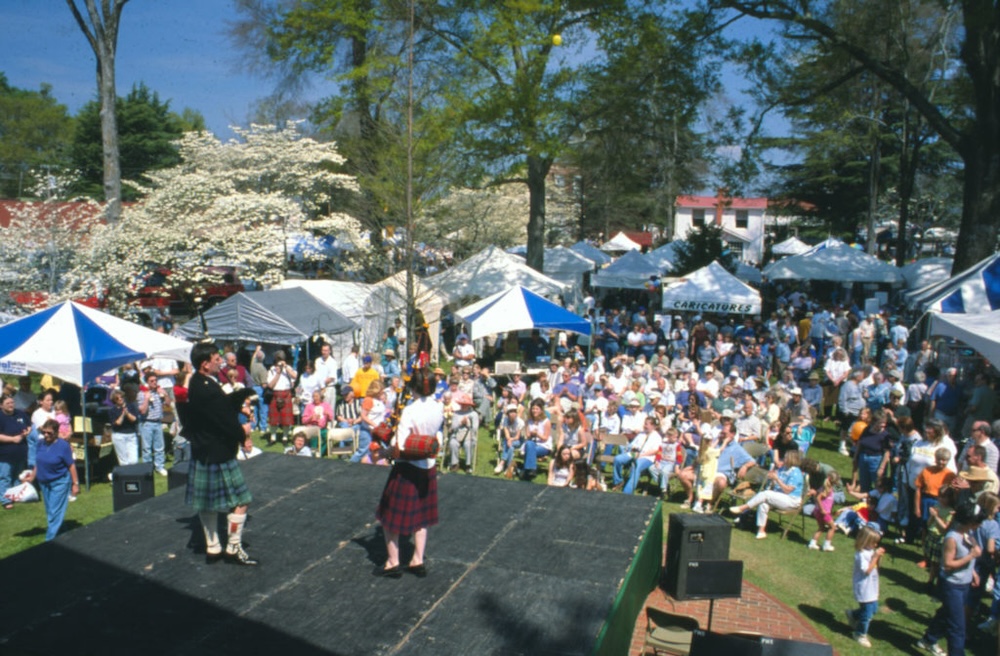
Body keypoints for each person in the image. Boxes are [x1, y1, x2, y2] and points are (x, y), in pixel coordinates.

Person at [185, 342, 259, 566]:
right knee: (242, 500)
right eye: (216, 358)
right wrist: (244, 434)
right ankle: (233, 547)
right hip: (218, 453)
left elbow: (221, 408)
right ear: (205, 364)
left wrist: (241, 400)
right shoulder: (206, 388)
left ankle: (213, 547)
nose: (221, 361)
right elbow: (224, 419)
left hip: (204, 451)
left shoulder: (199, 382)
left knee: (207, 503)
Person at [375, 367, 442, 578]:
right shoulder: (438, 407)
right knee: (421, 516)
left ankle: (393, 563)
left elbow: (400, 446)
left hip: (407, 468)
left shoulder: (410, 410)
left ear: (414, 387)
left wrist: (382, 452)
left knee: (389, 517)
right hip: (428, 465)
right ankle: (417, 560)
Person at [916, 502, 985, 656]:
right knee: (958, 627)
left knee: (946, 614)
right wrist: (971, 557)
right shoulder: (952, 538)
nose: (980, 525)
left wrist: (972, 572)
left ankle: (928, 639)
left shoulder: (968, 533)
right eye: (978, 522)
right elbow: (947, 564)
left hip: (964, 584)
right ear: (969, 522)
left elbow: (970, 553)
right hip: (951, 586)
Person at [727, 449, 804, 540]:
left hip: (791, 500)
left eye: (786, 457)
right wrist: (772, 478)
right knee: (764, 503)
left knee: (766, 494)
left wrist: (777, 479)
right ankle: (761, 531)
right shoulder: (783, 468)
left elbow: (787, 490)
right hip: (780, 497)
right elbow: (777, 485)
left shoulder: (796, 473)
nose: (783, 458)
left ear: (791, 459)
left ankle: (743, 509)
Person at [23, 419, 78, 540]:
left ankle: (49, 540)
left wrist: (75, 484)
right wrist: (32, 477)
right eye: (44, 432)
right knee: (51, 511)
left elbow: (71, 465)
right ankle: (62, 531)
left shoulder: (63, 446)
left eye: (49, 433)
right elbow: (39, 462)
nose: (46, 435)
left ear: (56, 433)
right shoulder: (40, 443)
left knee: (54, 511)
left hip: (60, 482)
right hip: (44, 483)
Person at [845, 525, 885, 648]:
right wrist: (875, 557)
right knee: (867, 614)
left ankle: (853, 614)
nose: (875, 546)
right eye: (874, 543)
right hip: (863, 587)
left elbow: (876, 566)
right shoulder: (861, 554)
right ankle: (860, 634)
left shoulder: (870, 551)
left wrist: (878, 558)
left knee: (873, 609)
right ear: (866, 541)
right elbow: (866, 571)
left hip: (872, 585)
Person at [137, 373, 168, 476]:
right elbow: (142, 411)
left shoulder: (159, 393)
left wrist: (165, 394)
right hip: (147, 423)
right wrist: (146, 399)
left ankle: (160, 466)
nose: (154, 382)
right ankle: (148, 468)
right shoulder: (142, 394)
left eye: (155, 380)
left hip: (158, 422)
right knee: (147, 448)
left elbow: (168, 404)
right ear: (147, 382)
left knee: (159, 447)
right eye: (152, 381)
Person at [266, 351, 297, 445]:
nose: (279, 361)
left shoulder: (289, 368)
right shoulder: (271, 370)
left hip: (286, 394)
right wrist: (278, 374)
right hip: (275, 394)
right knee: (273, 419)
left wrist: (286, 367)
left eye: (281, 359)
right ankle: (273, 437)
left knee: (286, 419)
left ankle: (285, 437)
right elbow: (270, 385)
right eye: (278, 359)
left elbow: (295, 376)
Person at [808, 469, 841, 552]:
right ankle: (827, 545)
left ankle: (813, 543)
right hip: (824, 512)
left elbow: (820, 497)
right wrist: (822, 509)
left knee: (821, 527)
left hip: (818, 511)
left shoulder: (824, 487)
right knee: (832, 527)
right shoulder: (828, 489)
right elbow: (818, 497)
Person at [447, 391, 478, 472]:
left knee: (468, 444)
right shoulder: (456, 413)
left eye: (465, 404)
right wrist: (460, 423)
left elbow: (475, 428)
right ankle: (455, 463)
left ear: (469, 405)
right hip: (457, 434)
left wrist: (467, 423)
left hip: (468, 435)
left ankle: (468, 465)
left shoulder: (473, 414)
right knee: (453, 443)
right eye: (462, 404)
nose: (464, 405)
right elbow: (453, 427)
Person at [107, 389, 139, 467]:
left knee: (134, 460)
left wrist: (127, 413)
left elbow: (134, 419)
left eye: (121, 397)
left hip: (131, 435)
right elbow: (117, 423)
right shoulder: (112, 410)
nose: (120, 399)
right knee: (124, 461)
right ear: (114, 400)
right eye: (117, 398)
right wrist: (122, 414)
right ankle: (126, 478)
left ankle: (133, 476)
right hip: (119, 436)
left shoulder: (131, 406)